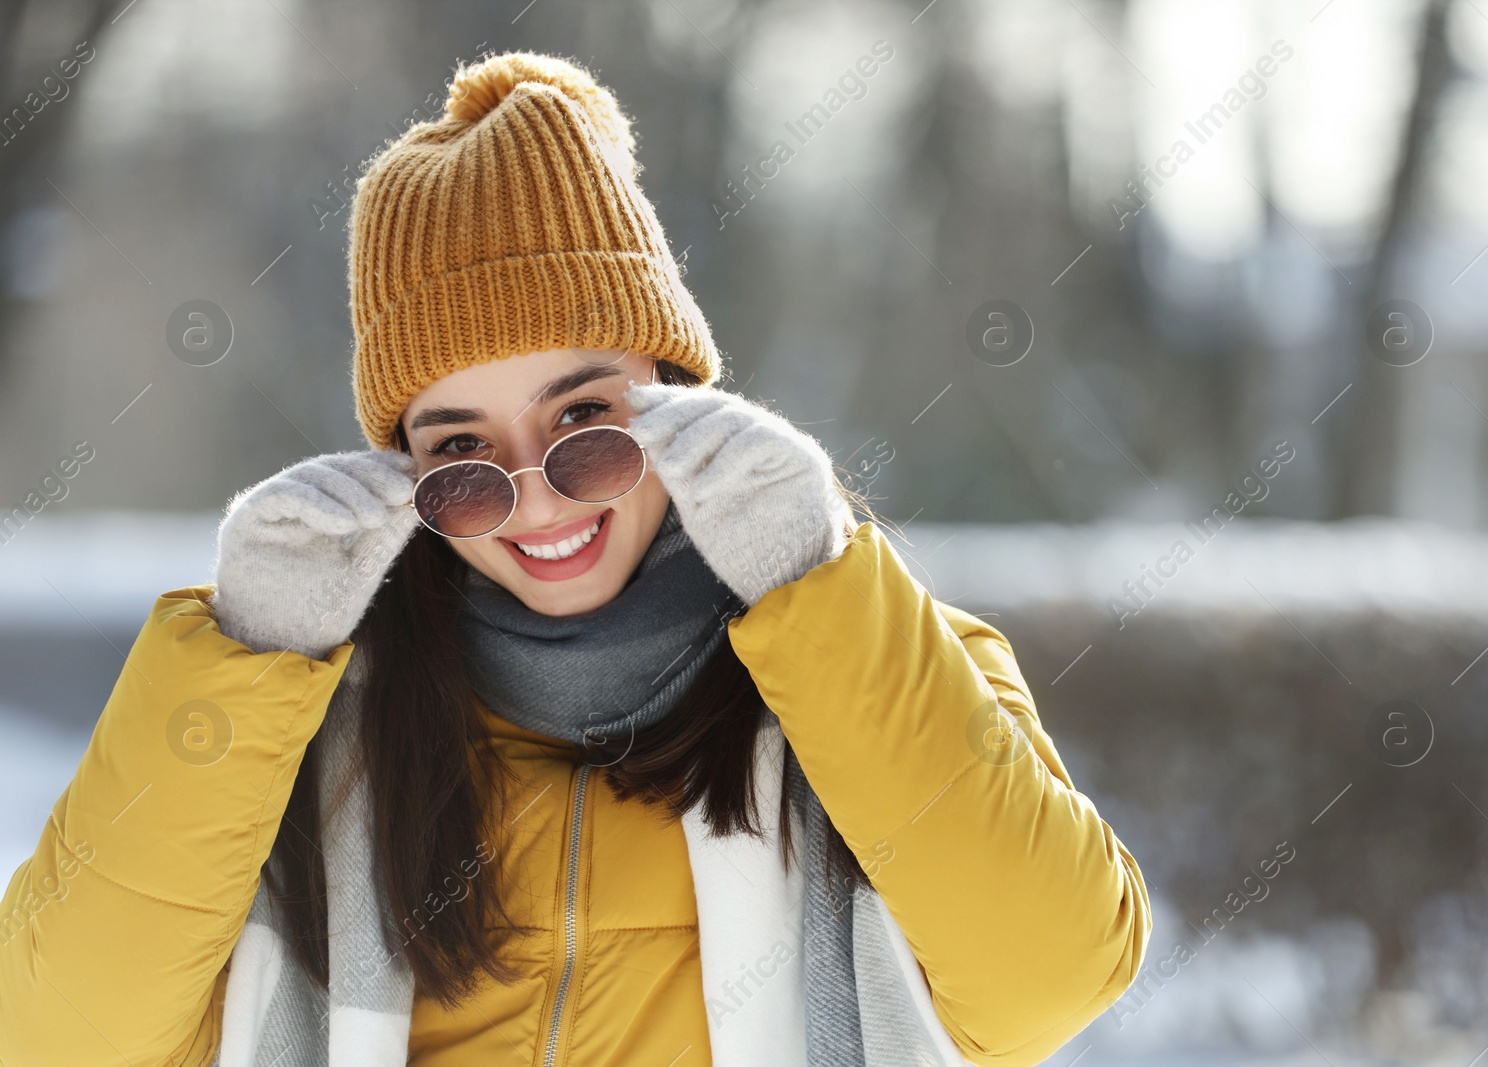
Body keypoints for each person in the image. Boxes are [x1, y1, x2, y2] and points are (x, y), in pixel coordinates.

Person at [0, 51, 1150, 1067]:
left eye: (584, 421)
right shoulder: (302, 721)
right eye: (461, 454)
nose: (536, 494)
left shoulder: (880, 656)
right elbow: (56, 1040)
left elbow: (1049, 977)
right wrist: (245, 657)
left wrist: (814, 583)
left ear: (682, 398)